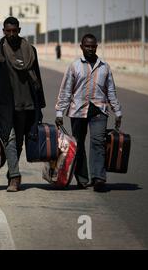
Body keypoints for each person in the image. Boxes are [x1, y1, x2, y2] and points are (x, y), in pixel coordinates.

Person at [55, 33, 122, 192]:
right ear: (81, 47)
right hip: (78, 111)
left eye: (93, 46)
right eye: (87, 46)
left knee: (98, 142)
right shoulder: (74, 66)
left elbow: (111, 91)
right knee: (78, 145)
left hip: (99, 110)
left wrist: (117, 111)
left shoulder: (104, 67)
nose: (90, 49)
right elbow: (65, 91)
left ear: (96, 47)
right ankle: (83, 179)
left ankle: (98, 177)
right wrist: (59, 112)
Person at [0, 17, 45, 192]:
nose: (11, 34)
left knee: (19, 142)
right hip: (4, 104)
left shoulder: (30, 50)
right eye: (8, 31)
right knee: (9, 139)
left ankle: (12, 169)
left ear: (19, 30)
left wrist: (39, 107)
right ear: (3, 31)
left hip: (26, 104)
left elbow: (37, 79)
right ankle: (15, 177)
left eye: (14, 31)